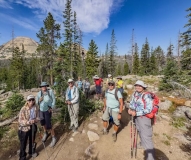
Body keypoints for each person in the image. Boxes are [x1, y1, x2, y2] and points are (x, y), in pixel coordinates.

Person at [128, 80, 155, 160]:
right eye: (136, 85)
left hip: (144, 117)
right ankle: (142, 144)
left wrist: (137, 113)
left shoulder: (147, 96)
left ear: (143, 87)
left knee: (146, 136)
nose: (138, 87)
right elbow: (132, 103)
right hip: (135, 116)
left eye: (140, 86)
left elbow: (149, 109)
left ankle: (151, 158)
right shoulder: (134, 93)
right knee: (139, 130)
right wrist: (130, 109)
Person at [36, 82, 56, 147]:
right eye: (42, 86)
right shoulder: (39, 93)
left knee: (49, 124)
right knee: (43, 123)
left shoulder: (50, 92)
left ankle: (53, 137)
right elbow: (36, 102)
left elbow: (54, 100)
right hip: (41, 110)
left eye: (45, 86)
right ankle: (45, 133)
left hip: (48, 110)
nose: (44, 87)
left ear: (46, 86)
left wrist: (52, 107)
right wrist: (39, 100)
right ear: (41, 87)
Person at [18, 95, 38, 160]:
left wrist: (35, 120)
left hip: (33, 126)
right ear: (27, 101)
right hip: (24, 129)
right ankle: (22, 157)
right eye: (30, 100)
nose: (31, 101)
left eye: (32, 100)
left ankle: (31, 152)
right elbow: (20, 121)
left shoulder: (35, 107)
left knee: (32, 140)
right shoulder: (23, 109)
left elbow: (38, 116)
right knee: (23, 144)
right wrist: (28, 122)